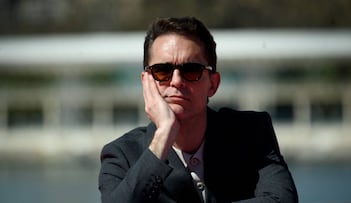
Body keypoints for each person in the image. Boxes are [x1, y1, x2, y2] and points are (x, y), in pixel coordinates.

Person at [98, 16, 298, 203]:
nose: (176, 81)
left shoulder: (252, 133)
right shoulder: (121, 154)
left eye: (191, 71)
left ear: (213, 84)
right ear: (146, 82)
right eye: (162, 71)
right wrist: (163, 135)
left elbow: (282, 199)